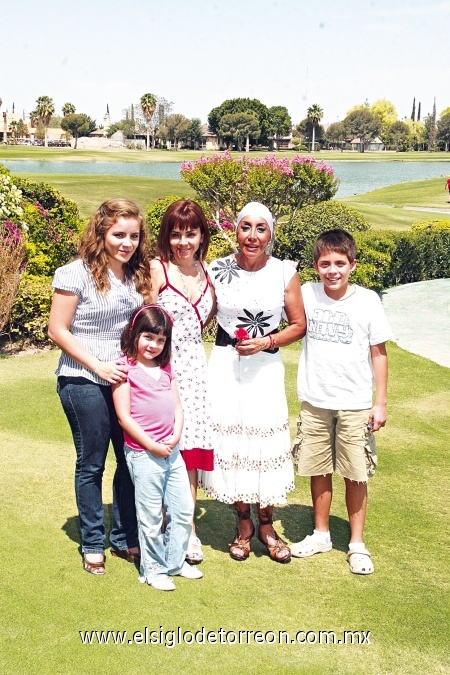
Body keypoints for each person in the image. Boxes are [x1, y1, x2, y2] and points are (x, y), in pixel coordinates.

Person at [48, 198, 152, 575]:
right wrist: (97, 365)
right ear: (102, 233)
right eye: (119, 234)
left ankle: (124, 537)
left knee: (128, 460)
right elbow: (57, 329)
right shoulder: (74, 273)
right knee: (92, 463)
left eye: (134, 236)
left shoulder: (136, 274)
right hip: (82, 377)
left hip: (125, 379)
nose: (127, 243)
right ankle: (93, 541)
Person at [206, 202, 306, 563]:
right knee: (233, 441)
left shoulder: (284, 272)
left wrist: (266, 341)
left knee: (263, 440)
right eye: (245, 227)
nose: (252, 236)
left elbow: (298, 324)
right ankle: (243, 523)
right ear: (235, 230)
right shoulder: (216, 269)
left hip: (265, 369)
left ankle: (267, 525)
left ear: (270, 234)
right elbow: (200, 311)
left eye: (260, 228)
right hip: (224, 367)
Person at [291, 229, 392, 575]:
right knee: (317, 468)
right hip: (315, 399)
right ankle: (321, 534)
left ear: (352, 264)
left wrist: (380, 403)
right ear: (315, 267)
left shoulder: (368, 300)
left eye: (339, 263)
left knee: (355, 472)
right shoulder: (306, 293)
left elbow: (379, 354)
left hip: (355, 402)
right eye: (324, 264)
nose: (332, 270)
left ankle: (357, 544)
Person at [112, 305, 203, 591]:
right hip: (143, 454)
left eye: (161, 340)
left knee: (183, 507)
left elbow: (177, 407)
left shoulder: (165, 368)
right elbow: (123, 417)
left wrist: (175, 437)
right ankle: (152, 569)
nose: (153, 345)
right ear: (134, 334)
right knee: (150, 515)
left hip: (171, 451)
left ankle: (174, 562)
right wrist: (151, 445)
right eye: (148, 337)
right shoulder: (125, 367)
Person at [149, 199, 215, 564]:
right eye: (176, 234)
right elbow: (141, 322)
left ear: (202, 234)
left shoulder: (207, 272)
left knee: (188, 455)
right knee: (161, 449)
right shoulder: (157, 270)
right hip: (162, 370)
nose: (183, 242)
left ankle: (187, 529)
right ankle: (156, 525)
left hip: (196, 372)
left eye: (190, 233)